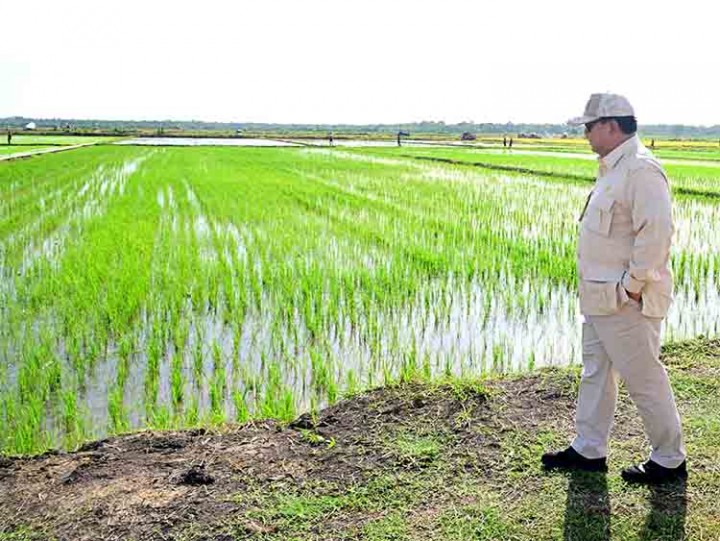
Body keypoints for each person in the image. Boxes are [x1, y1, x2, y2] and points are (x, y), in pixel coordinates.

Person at [541, 93, 687, 484]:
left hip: (625, 302)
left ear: (610, 125)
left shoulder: (641, 171)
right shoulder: (612, 170)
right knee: (596, 373)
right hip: (600, 298)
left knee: (644, 379)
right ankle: (589, 449)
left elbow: (656, 236)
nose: (586, 135)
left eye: (589, 127)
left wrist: (632, 288)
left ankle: (670, 458)